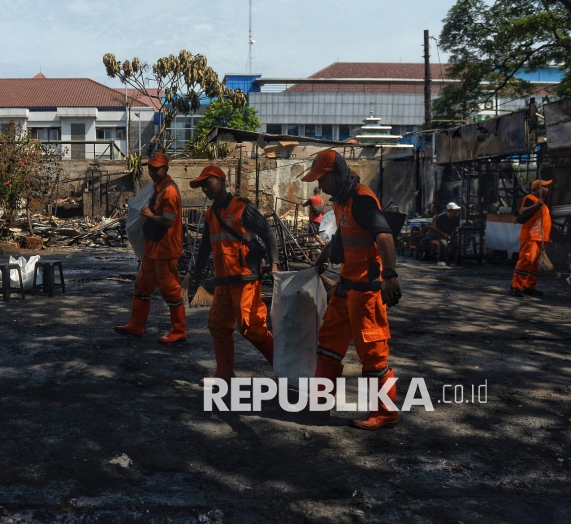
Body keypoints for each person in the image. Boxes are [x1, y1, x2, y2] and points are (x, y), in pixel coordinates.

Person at [301, 149, 402, 430]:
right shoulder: (341, 201)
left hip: (367, 291)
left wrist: (390, 276)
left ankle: (384, 412)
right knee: (329, 344)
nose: (319, 185)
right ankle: (320, 405)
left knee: (372, 352)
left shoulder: (361, 199)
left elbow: (384, 235)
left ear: (337, 174)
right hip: (346, 286)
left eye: (322, 178)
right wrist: (321, 260)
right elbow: (342, 237)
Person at [190, 165, 280, 379]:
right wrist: (197, 270)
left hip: (246, 277)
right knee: (218, 325)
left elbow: (268, 234)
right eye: (202, 185)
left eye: (208, 183)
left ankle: (286, 365)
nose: (205, 188)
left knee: (251, 327)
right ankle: (224, 373)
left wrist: (274, 264)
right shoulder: (210, 215)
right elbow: (205, 247)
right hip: (223, 279)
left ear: (221, 181)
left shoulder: (243, 208)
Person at [114, 151, 186, 343]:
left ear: (166, 168)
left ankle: (179, 330)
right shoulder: (157, 189)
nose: (152, 172)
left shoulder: (169, 191)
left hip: (165, 250)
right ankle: (136, 326)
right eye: (150, 168)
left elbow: (168, 222)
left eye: (156, 168)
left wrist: (148, 215)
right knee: (142, 286)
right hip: (153, 249)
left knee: (170, 289)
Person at [511, 179, 553, 297]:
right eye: (544, 187)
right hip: (531, 237)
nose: (547, 189)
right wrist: (536, 205)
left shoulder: (542, 204)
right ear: (536, 189)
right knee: (526, 261)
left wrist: (548, 238)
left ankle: (529, 287)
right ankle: (516, 287)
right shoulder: (530, 198)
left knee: (535, 264)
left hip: (540, 238)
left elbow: (543, 222)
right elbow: (523, 212)